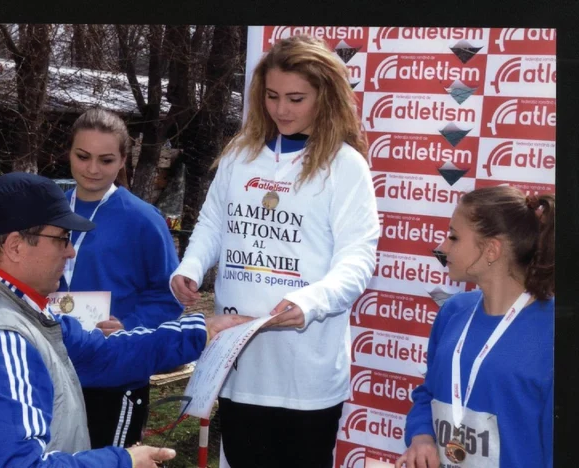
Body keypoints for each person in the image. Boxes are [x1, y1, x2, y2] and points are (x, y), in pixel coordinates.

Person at [0, 172, 251, 468]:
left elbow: (99, 354)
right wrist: (122, 461)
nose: (70, 251)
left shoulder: (14, 307)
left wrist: (199, 332)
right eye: (61, 239)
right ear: (14, 246)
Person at [170, 35, 380, 468]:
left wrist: (308, 301)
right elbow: (213, 222)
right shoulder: (240, 154)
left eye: (296, 98)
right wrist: (190, 267)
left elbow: (358, 259)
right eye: (271, 96)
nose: (281, 109)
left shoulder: (344, 166)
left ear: (326, 96)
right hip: (240, 363)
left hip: (307, 373)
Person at [396, 186, 554, 468]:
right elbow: (428, 393)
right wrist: (421, 437)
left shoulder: (553, 333)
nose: (443, 248)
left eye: (454, 237)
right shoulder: (453, 311)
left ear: (491, 250)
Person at [56, 108, 184, 449]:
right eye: (82, 156)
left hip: (115, 371)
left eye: (106, 159)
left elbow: (168, 295)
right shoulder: (50, 212)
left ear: (123, 160)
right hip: (54, 368)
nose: (93, 169)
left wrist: (129, 325)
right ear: (68, 152)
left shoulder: (143, 220)